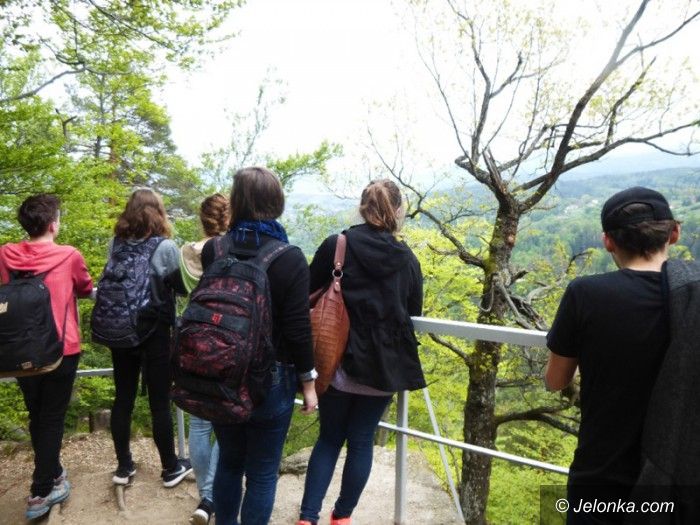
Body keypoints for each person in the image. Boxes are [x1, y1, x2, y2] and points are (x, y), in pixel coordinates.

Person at [545, 187, 681, 524]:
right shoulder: (691, 296)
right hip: (677, 480)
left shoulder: (585, 294)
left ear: (608, 241)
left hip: (601, 477)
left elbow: (555, 380)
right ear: (674, 233)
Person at [298, 179, 425, 525]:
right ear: (397, 210)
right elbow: (414, 310)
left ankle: (307, 518)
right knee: (361, 441)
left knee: (329, 439)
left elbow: (307, 292)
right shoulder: (406, 258)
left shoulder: (336, 245)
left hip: (337, 360)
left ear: (362, 207)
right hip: (383, 367)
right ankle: (342, 517)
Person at [201, 167, 318, 525]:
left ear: (236, 201)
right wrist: (308, 382)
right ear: (276, 202)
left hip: (221, 371)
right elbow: (297, 329)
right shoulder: (290, 257)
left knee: (230, 462)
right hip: (271, 378)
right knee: (263, 473)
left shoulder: (214, 249)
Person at [0, 194, 93, 519]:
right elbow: (85, 287)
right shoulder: (69, 255)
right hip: (61, 348)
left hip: (20, 348)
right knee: (52, 419)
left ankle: (52, 472)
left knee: (37, 414)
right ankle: (40, 492)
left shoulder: (6, 254)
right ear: (53, 225)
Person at [104, 188, 192, 488]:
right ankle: (170, 468)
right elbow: (181, 287)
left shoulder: (115, 243)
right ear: (158, 213)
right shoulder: (165, 247)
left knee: (123, 398)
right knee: (159, 403)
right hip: (154, 333)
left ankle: (123, 467)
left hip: (119, 330)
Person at [173, 193, 230, 525]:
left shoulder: (187, 252)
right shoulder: (231, 250)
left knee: (198, 422)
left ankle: (205, 496)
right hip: (226, 339)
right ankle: (213, 495)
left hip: (193, 338)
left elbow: (183, 289)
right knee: (226, 421)